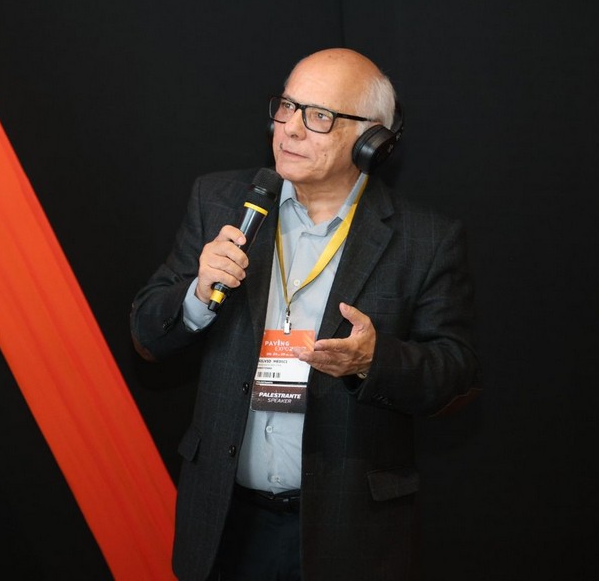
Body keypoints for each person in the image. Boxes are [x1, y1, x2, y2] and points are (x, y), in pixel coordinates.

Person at [130, 48, 479, 581]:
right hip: (226, 520)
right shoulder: (221, 201)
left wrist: (373, 360)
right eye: (286, 106)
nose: (289, 128)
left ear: (372, 140)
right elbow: (146, 332)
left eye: (318, 116)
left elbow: (457, 375)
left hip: (347, 532)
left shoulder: (425, 239)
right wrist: (197, 295)